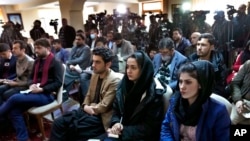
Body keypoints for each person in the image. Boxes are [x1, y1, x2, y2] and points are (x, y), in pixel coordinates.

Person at [49, 47, 121, 141]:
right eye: (93, 61)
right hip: (87, 110)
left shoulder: (114, 80)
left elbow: (104, 106)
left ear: (107, 64)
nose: (93, 65)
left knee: (73, 129)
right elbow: (88, 95)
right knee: (58, 123)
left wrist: (88, 107)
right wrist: (85, 105)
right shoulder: (95, 74)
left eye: (97, 62)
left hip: (99, 117)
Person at [0, 38, 64, 141]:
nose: (36, 50)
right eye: (35, 48)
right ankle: (23, 138)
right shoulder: (37, 61)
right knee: (14, 111)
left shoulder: (55, 62)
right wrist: (31, 85)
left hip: (47, 95)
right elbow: (30, 78)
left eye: (39, 48)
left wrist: (42, 89)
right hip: (33, 92)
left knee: (14, 98)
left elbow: (58, 83)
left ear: (48, 48)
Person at [97, 51, 165, 141]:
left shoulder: (153, 93)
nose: (129, 71)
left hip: (140, 137)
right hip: (121, 132)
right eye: (127, 67)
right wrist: (116, 123)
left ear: (143, 69)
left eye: (133, 68)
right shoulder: (124, 85)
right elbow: (116, 111)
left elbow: (149, 127)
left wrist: (123, 130)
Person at [160, 60, 230, 141]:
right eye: (180, 81)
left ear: (201, 84)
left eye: (188, 82)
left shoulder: (218, 111)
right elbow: (166, 128)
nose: (182, 87)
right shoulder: (175, 103)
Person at [188, 33, 228, 98]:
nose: (199, 48)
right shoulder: (190, 60)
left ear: (212, 47)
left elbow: (221, 88)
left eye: (203, 45)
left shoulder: (218, 64)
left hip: (211, 97)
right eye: (198, 44)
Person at [0, 40, 34, 105]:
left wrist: (16, 83)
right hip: (15, 82)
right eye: (12, 48)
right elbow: (18, 75)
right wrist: (9, 81)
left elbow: (31, 81)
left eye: (15, 48)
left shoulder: (30, 62)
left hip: (24, 86)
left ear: (23, 50)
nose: (12, 50)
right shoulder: (18, 59)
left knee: (6, 94)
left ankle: (5, 111)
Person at [230, 60, 250, 124]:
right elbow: (235, 83)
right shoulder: (248, 64)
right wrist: (238, 100)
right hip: (243, 102)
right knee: (230, 121)